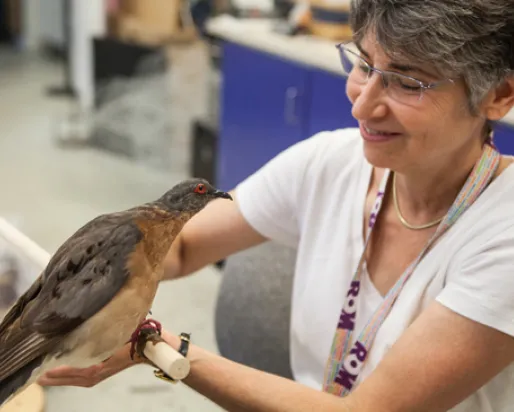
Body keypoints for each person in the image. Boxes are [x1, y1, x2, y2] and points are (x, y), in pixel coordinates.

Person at [38, 0, 514, 411]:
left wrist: (160, 348)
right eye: (365, 65)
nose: (362, 106)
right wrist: (51, 297)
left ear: (499, 95)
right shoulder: (330, 163)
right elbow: (176, 250)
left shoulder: (502, 232)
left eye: (408, 84)